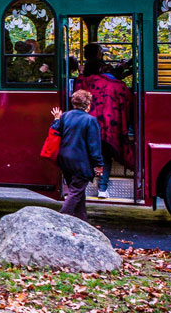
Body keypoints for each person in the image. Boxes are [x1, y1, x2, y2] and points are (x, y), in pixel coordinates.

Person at [76, 42, 134, 199]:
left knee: (86, 154)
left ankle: (80, 186)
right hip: (108, 126)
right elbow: (128, 101)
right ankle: (102, 188)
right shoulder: (116, 85)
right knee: (105, 157)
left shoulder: (83, 82)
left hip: (86, 125)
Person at [50, 90, 103, 222]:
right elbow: (94, 146)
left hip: (64, 160)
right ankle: (59, 220)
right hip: (81, 162)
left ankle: (82, 221)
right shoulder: (90, 120)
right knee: (75, 193)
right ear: (88, 104)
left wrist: (56, 118)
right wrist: (99, 164)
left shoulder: (65, 116)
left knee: (78, 193)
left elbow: (56, 130)